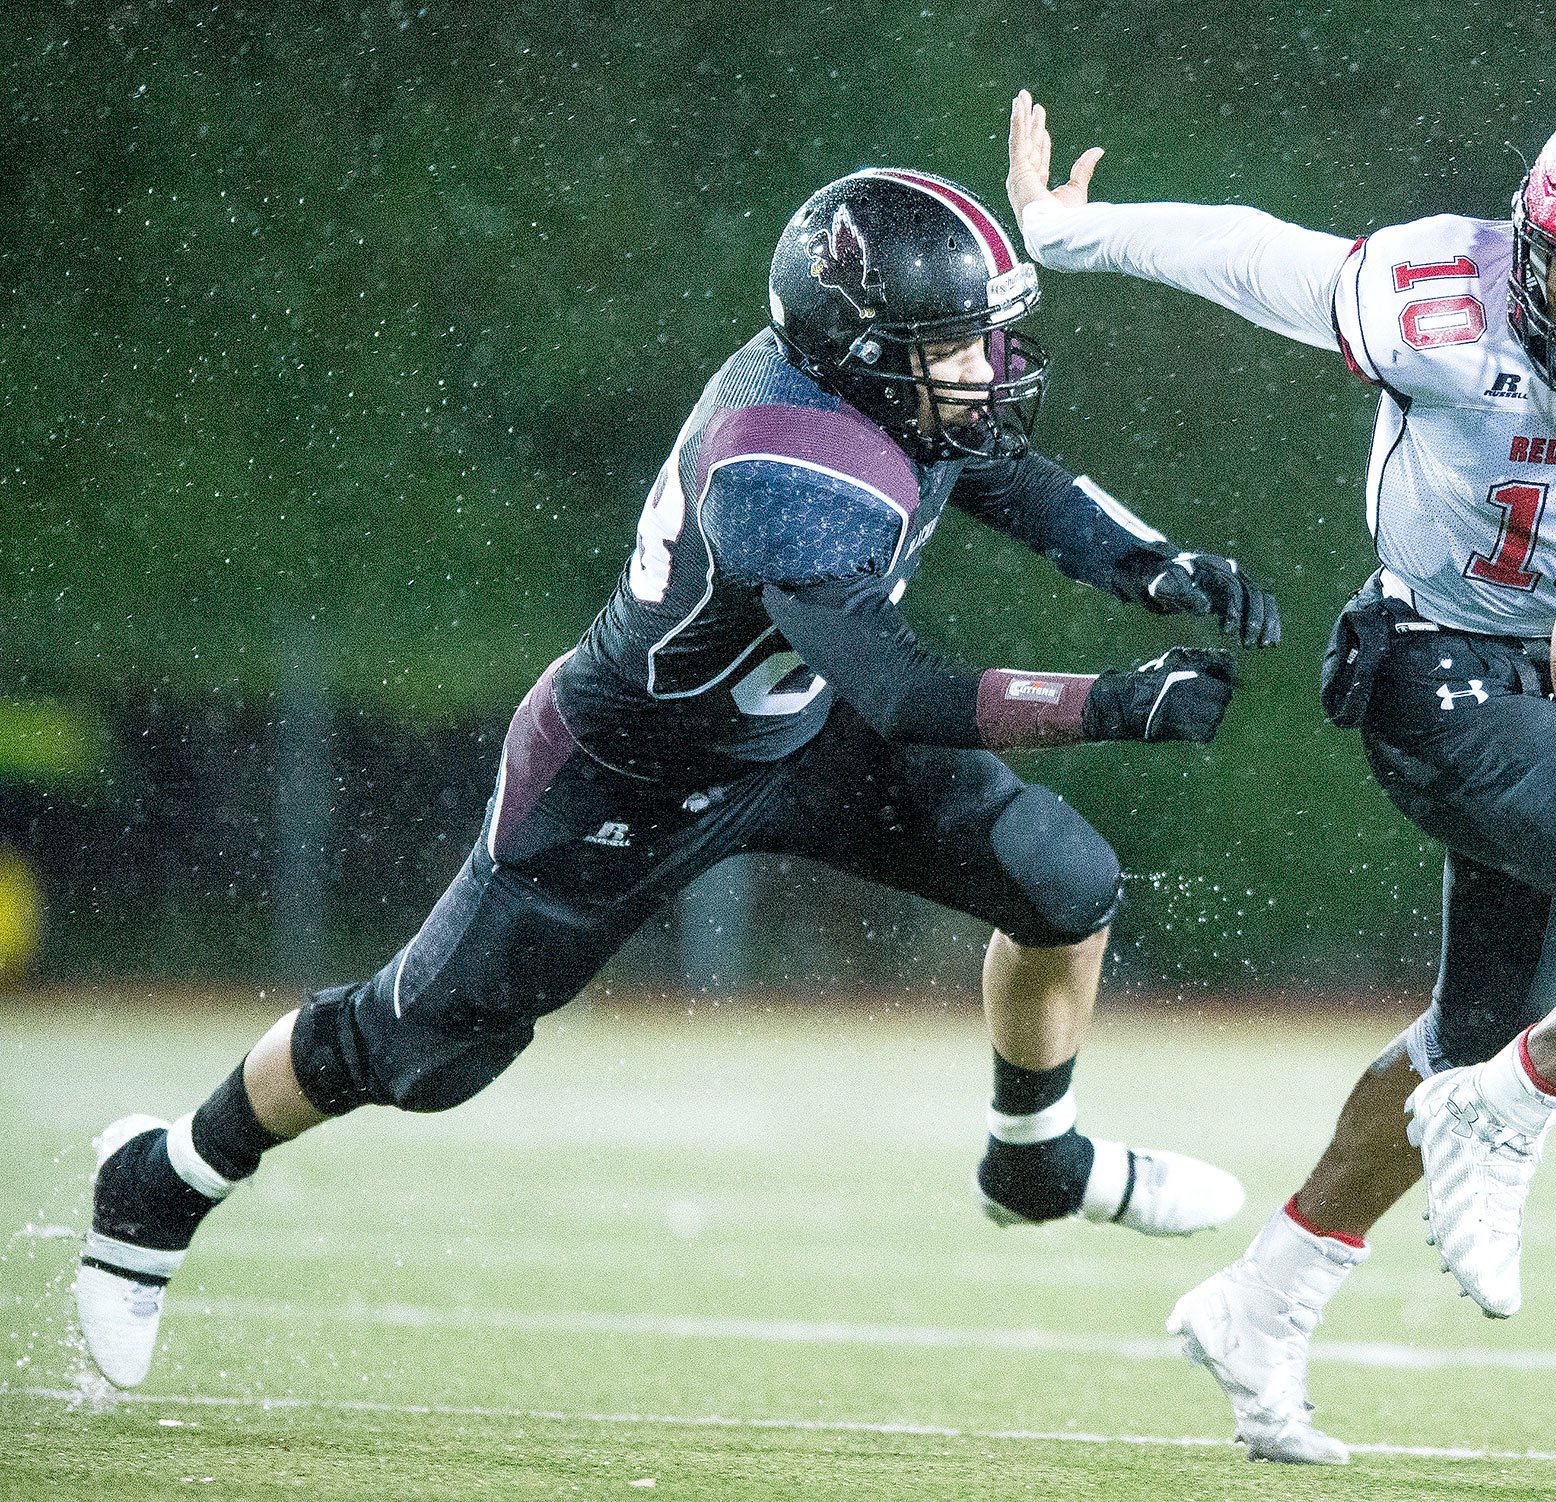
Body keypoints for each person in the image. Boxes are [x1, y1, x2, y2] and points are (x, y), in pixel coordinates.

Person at [75, 167, 1285, 1390]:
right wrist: (1112, 702)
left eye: (983, 332)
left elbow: (999, 474)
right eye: (955, 342)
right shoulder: (783, 464)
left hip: (798, 730)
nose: (986, 361)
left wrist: (1149, 563)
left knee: (1060, 880)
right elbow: (906, 691)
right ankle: (166, 1175)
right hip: (627, 774)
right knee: (416, 1052)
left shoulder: (884, 394)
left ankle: (1033, 1157)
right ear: (860, 352)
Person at [1007, 88, 1556, 1463]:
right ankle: (1513, 1107)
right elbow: (1256, 256)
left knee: (1469, 1038)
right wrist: (1074, 235)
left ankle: (1265, 1300)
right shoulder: (1437, 294)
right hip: (1432, 674)